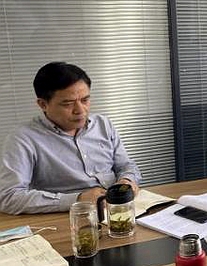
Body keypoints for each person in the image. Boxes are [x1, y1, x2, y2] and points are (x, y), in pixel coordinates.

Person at [0, 62, 141, 215]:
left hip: (118, 208)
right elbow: (9, 197)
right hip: (70, 216)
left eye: (85, 100)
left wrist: (127, 181)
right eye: (67, 104)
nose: (80, 110)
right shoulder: (22, 139)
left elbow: (125, 165)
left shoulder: (103, 124)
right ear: (43, 104)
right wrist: (78, 199)